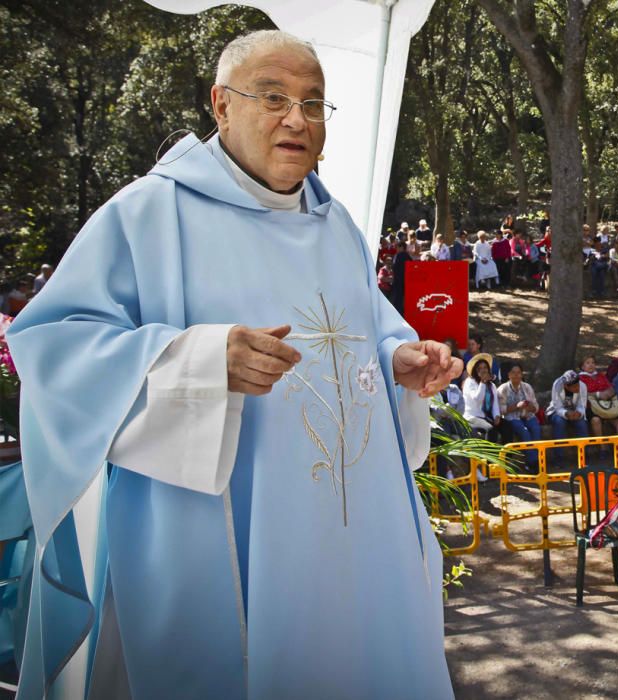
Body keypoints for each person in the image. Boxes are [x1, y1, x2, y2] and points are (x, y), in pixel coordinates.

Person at [7, 30, 460, 698]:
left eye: (313, 103)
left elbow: (362, 322)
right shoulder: (149, 213)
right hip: (218, 538)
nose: (295, 120)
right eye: (272, 97)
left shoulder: (336, 225)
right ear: (221, 105)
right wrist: (195, 361)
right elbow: (55, 344)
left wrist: (400, 357)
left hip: (354, 538)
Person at [497, 362, 541, 470]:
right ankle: (532, 463)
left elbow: (536, 407)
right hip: (511, 417)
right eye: (513, 373)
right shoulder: (503, 389)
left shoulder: (527, 387)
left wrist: (530, 407)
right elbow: (501, 410)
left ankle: (536, 460)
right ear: (508, 375)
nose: (516, 375)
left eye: (519, 373)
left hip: (528, 415)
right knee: (524, 432)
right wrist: (517, 406)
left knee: (536, 429)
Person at [578, 355, 618, 451]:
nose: (591, 365)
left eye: (593, 362)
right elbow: (582, 394)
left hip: (608, 404)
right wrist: (598, 395)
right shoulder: (580, 379)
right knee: (595, 420)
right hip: (591, 406)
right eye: (587, 363)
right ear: (583, 367)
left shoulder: (601, 376)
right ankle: (602, 447)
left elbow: (611, 388)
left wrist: (608, 393)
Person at [462, 353, 502, 451]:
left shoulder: (491, 385)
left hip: (487, 416)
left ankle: (506, 458)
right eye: (480, 368)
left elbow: (495, 403)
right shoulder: (469, 382)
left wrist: (497, 415)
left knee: (507, 427)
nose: (483, 370)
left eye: (485, 367)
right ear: (475, 370)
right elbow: (477, 399)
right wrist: (482, 383)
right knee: (490, 429)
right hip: (472, 417)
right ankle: (489, 461)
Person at [545, 370, 590, 447]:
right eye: (574, 386)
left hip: (575, 412)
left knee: (582, 423)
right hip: (557, 412)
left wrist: (579, 413)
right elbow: (557, 406)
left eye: (578, 384)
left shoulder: (583, 386)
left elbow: (582, 405)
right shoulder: (557, 385)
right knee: (559, 422)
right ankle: (560, 456)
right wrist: (566, 413)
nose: (578, 387)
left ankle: (583, 453)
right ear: (566, 386)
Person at [390, 240, 412, 314]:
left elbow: (394, 266)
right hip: (406, 280)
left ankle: (396, 313)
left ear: (402, 247)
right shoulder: (408, 256)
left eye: (397, 247)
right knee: (403, 298)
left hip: (398, 280)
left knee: (397, 298)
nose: (396, 248)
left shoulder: (398, 255)